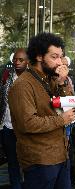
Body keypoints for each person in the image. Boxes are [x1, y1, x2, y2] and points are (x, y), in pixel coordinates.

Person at [8, 33, 75, 189]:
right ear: (39, 56)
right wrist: (61, 120)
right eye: (54, 57)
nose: (60, 63)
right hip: (40, 161)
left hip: (61, 156)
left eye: (61, 57)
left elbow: (72, 108)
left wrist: (62, 84)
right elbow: (28, 123)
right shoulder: (23, 85)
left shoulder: (52, 79)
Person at [0, 48, 28, 189]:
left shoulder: (32, 79)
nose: (17, 62)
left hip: (26, 129)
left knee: (28, 163)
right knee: (12, 162)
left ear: (27, 62)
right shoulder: (6, 76)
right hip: (8, 127)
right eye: (15, 59)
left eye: (21, 60)